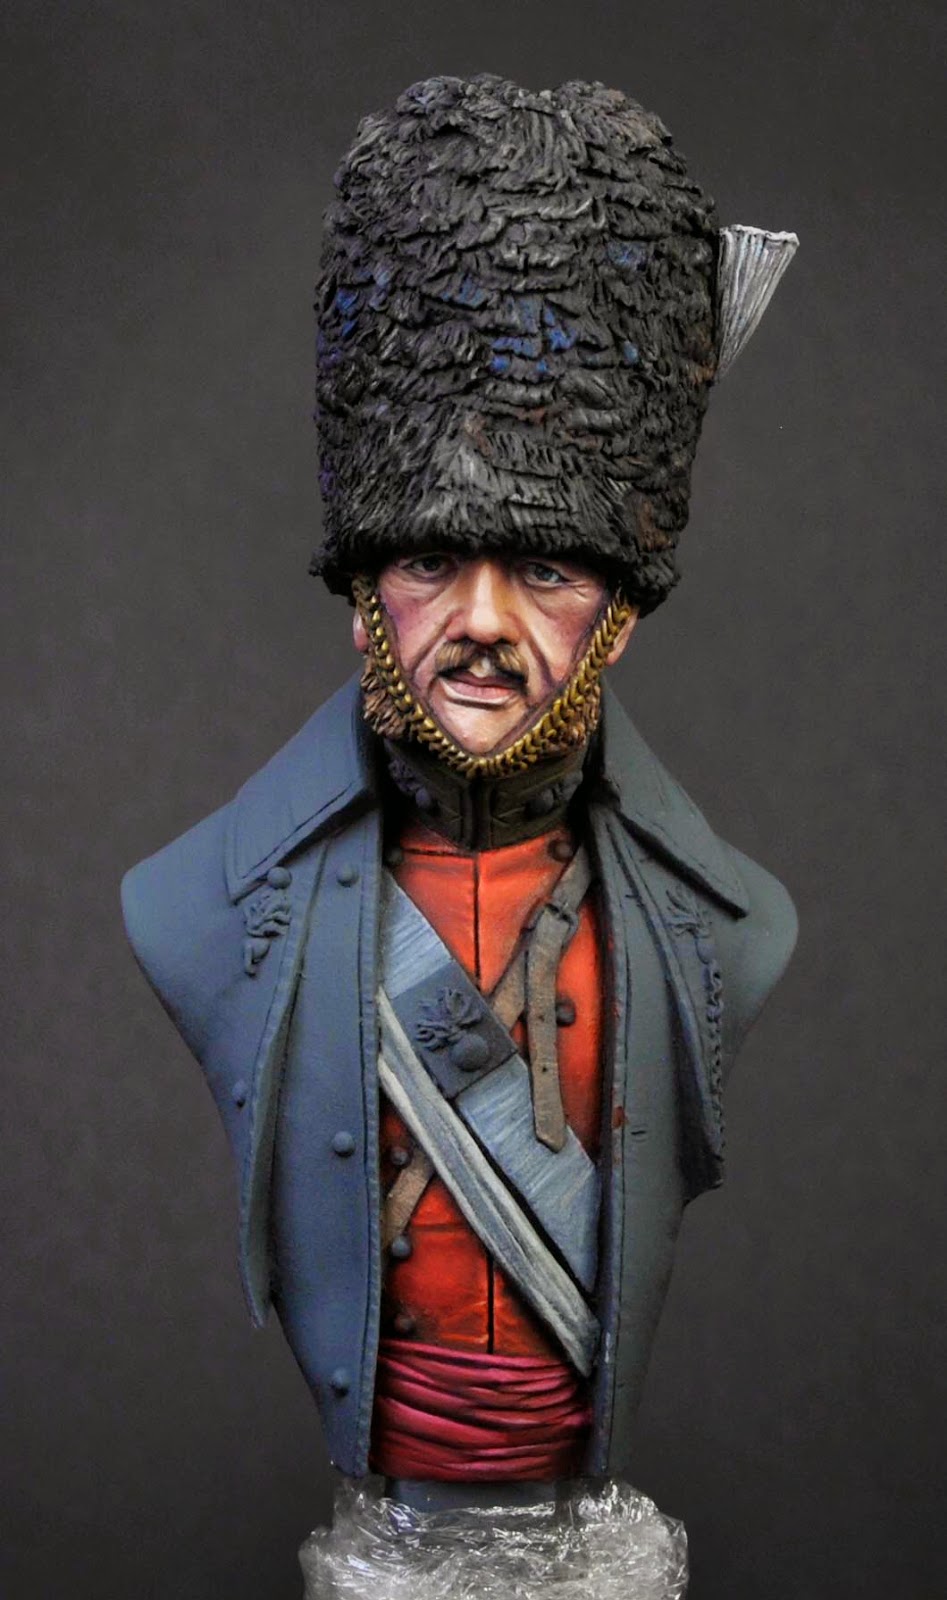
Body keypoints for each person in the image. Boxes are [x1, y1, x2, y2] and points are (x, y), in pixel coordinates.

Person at [121, 72, 798, 1570]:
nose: (482, 621)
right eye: (431, 558)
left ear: (621, 611)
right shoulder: (200, 906)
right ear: (364, 587)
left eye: (546, 569)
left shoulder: (728, 925)